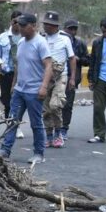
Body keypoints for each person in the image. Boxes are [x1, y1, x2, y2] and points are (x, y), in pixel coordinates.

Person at [0, 13, 53, 163]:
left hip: (34, 91)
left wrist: (43, 87)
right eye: (18, 25)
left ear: (33, 26)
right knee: (12, 120)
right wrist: (13, 84)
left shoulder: (40, 43)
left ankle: (39, 153)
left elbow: (49, 65)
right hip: (19, 90)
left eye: (24, 25)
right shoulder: (21, 42)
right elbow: (18, 65)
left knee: (36, 124)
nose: (20, 28)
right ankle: (5, 150)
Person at [39, 11, 77, 148]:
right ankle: (49, 136)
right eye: (45, 24)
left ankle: (58, 134)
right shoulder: (41, 39)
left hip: (61, 75)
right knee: (46, 108)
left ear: (55, 26)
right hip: (45, 77)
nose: (46, 27)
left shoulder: (65, 39)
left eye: (49, 25)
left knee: (56, 105)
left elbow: (72, 59)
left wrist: (72, 78)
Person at [60, 18, 90, 141]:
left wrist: (78, 59)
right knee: (54, 105)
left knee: (67, 105)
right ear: (64, 29)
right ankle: (52, 128)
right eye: (70, 28)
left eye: (74, 29)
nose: (72, 31)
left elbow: (88, 60)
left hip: (71, 78)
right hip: (57, 77)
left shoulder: (80, 44)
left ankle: (64, 129)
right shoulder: (58, 41)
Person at [0, 11, 23, 122]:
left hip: (20, 74)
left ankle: (16, 123)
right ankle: (9, 122)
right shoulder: (3, 37)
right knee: (6, 100)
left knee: (18, 99)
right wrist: (0, 63)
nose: (17, 24)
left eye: (19, 22)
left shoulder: (24, 37)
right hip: (6, 73)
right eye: (15, 21)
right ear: (11, 21)